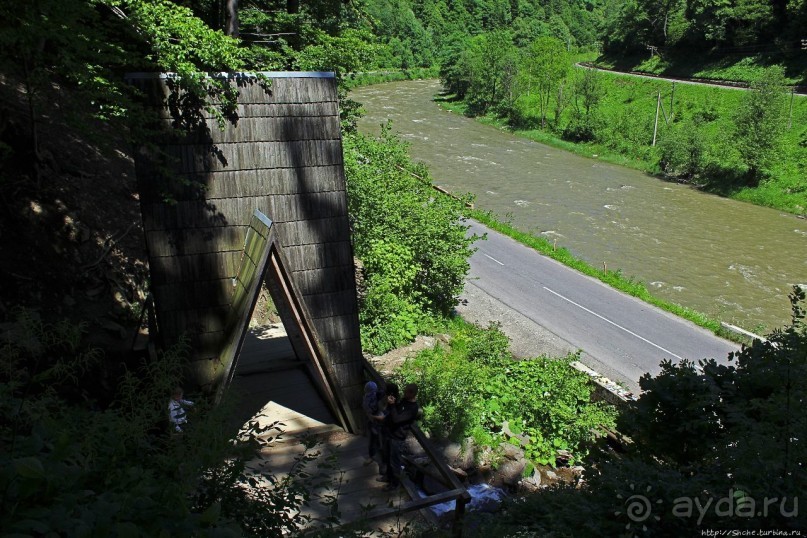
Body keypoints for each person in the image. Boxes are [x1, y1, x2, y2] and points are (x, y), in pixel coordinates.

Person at [381, 383, 420, 491]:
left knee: (395, 462)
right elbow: (394, 411)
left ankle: (394, 484)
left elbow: (397, 419)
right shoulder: (404, 401)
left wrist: (392, 405)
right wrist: (392, 403)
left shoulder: (412, 408)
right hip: (390, 433)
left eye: (406, 391)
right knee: (388, 457)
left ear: (412, 393)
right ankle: (388, 477)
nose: (404, 392)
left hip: (398, 437)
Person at [362, 381, 384, 465]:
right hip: (377, 421)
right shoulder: (375, 396)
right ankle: (381, 458)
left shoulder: (366, 398)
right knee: (379, 439)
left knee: (372, 439)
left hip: (371, 421)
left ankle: (372, 456)